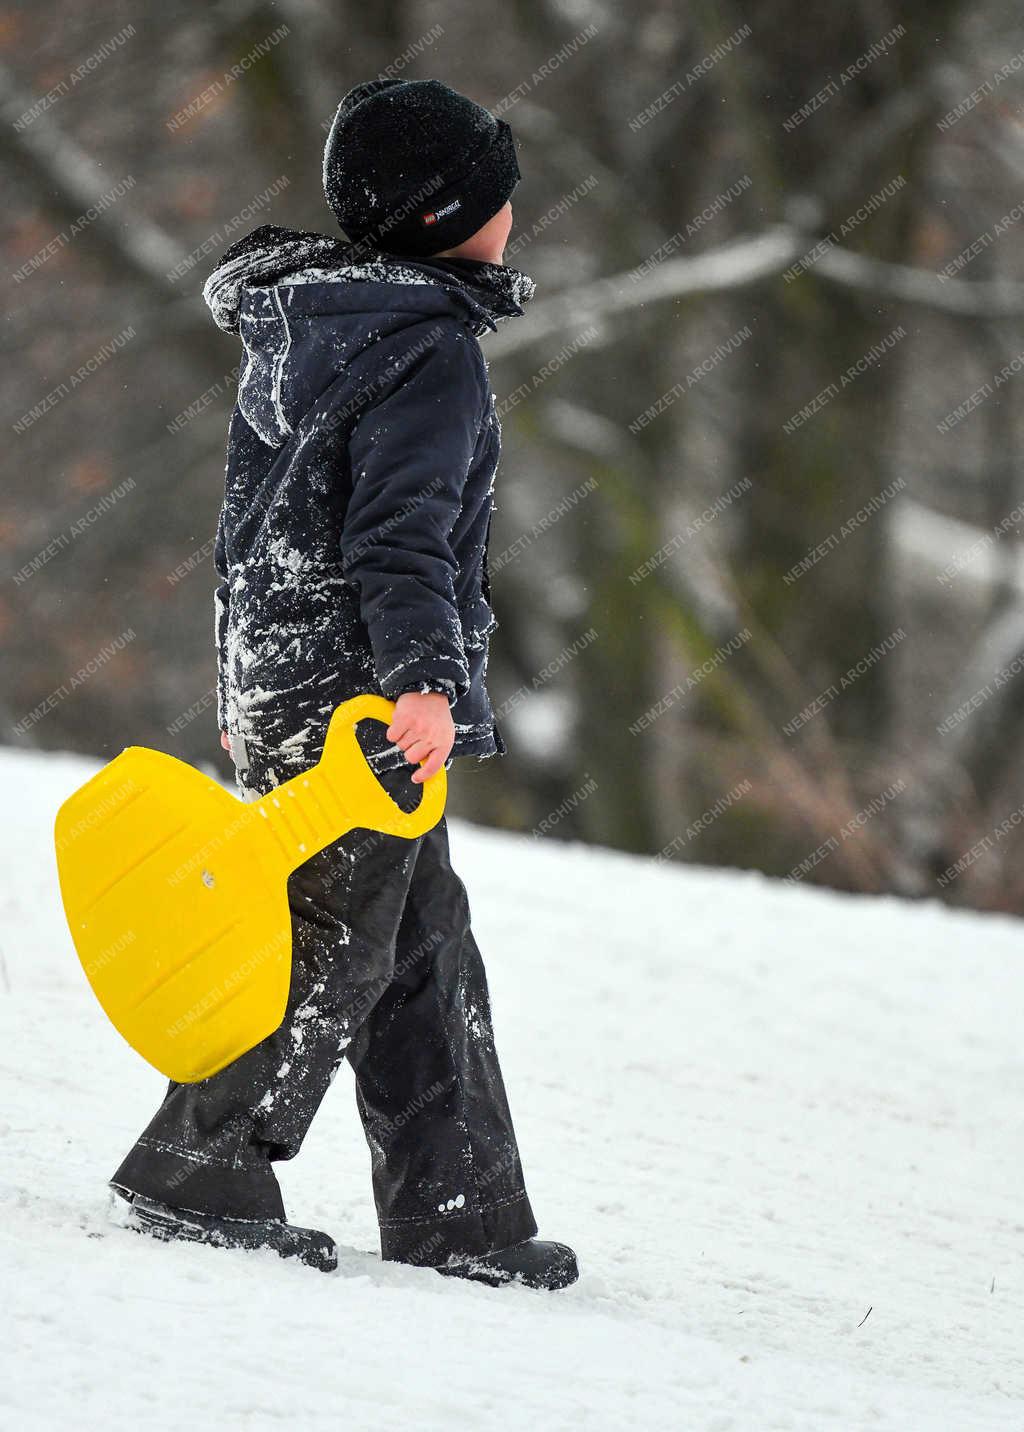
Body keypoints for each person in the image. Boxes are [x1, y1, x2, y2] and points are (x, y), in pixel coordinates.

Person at [108, 78, 577, 1291]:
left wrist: (239, 678)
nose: (514, 209)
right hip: (359, 699)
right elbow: (399, 536)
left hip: (289, 673)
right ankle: (196, 1161)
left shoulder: (310, 332)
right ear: (442, 219)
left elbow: (251, 533)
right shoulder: (423, 352)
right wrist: (427, 676)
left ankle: (459, 1211)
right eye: (496, 193)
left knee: (421, 944)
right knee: (330, 943)